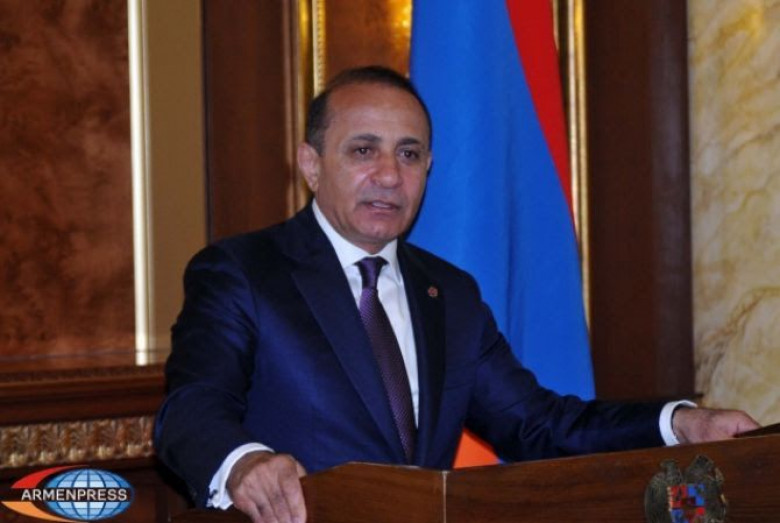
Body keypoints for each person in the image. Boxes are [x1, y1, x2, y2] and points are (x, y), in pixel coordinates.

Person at [154, 66, 758, 523]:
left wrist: (681, 422)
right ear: (311, 165)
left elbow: (538, 425)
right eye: (363, 150)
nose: (389, 175)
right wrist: (244, 463)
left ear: (428, 169)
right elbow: (191, 409)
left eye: (409, 154)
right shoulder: (243, 271)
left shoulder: (450, 295)